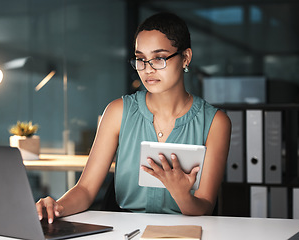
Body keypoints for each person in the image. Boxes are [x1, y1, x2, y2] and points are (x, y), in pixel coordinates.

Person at [36, 12, 231, 223]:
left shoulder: (215, 122)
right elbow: (85, 189)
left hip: (187, 232)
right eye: (141, 59)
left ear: (185, 58)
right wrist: (57, 207)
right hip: (125, 231)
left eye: (159, 58)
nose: (148, 69)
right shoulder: (118, 111)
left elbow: (205, 206)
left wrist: (182, 195)